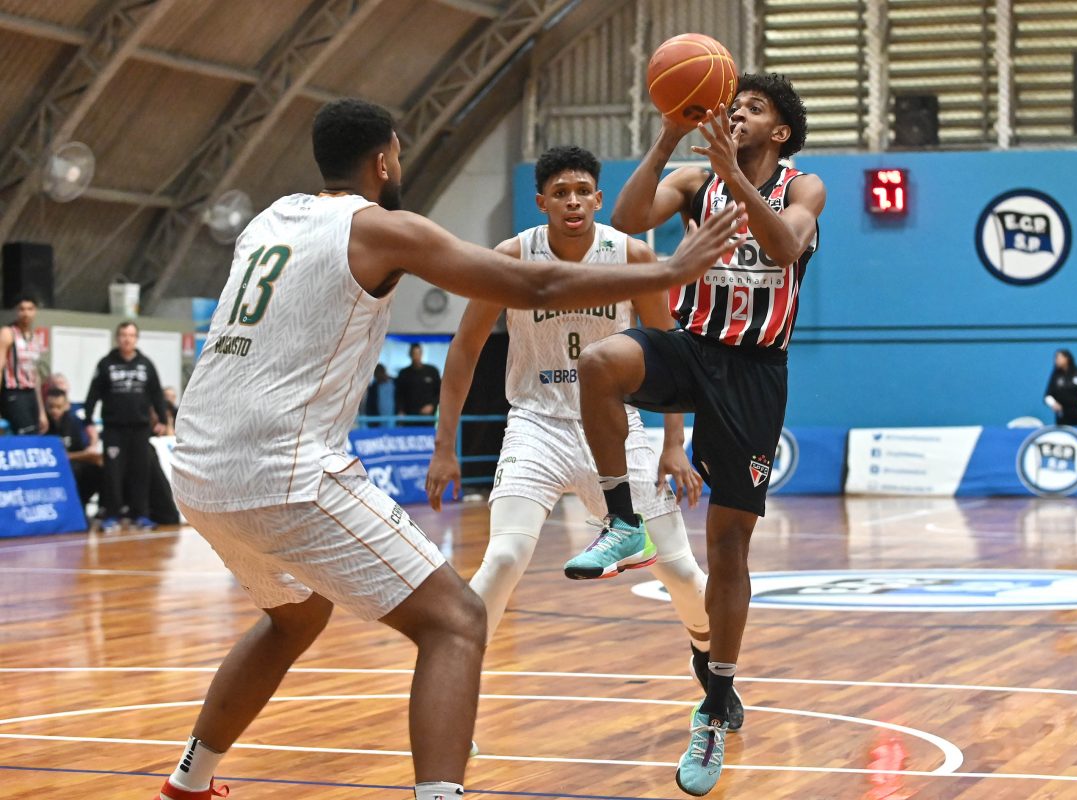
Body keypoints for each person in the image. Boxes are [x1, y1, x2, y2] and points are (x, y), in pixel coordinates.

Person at [156, 97, 745, 800]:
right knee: (457, 621)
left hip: (196, 465)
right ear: (383, 161)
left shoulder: (268, 220)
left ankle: (189, 781)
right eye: (399, 154)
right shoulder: (384, 228)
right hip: (286, 467)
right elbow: (535, 285)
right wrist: (672, 271)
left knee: (297, 614)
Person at [565, 74, 825, 796]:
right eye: (732, 107)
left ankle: (715, 703)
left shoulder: (803, 188)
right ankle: (624, 522)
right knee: (600, 364)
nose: (737, 114)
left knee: (728, 545)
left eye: (754, 110)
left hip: (754, 373)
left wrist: (735, 178)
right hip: (692, 346)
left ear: (780, 133)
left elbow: (783, 248)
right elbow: (624, 223)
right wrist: (669, 136)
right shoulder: (692, 180)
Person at [424, 145, 742, 726]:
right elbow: (465, 348)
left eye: (581, 192)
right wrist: (444, 447)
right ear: (541, 202)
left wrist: (674, 442)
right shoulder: (512, 256)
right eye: (560, 193)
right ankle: (455, 692)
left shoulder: (631, 254)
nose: (572, 201)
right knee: (504, 557)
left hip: (615, 424)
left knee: (679, 571)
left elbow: (669, 348)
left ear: (598, 199)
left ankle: (708, 662)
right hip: (536, 423)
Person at [84, 321, 168, 533]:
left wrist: (163, 420)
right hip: (114, 429)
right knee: (113, 473)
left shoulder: (146, 364)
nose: (127, 339)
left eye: (131, 335)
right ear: (117, 338)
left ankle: (141, 515)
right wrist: (88, 420)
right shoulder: (106, 364)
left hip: (140, 428)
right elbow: (93, 394)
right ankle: (112, 514)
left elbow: (157, 394)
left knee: (141, 472)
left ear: (136, 339)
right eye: (123, 335)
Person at [0, 297, 47, 435]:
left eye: (30, 309)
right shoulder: (8, 333)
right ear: (16, 311)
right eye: (22, 309)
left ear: (35, 311)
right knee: (25, 434)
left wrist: (42, 411)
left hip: (31, 393)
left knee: (35, 434)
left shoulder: (35, 337)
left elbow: (35, 375)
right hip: (13, 392)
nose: (26, 313)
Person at [1044, 348, 1077, 426]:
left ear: (1067, 358)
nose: (1055, 361)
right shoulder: (1056, 375)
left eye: (1058, 358)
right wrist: (1053, 404)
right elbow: (1047, 395)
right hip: (1062, 416)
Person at [395, 343, 440, 422]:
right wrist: (400, 410)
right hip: (409, 417)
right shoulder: (404, 373)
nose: (416, 357)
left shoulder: (432, 371)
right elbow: (399, 394)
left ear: (421, 354)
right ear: (410, 355)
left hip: (428, 417)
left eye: (418, 353)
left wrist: (432, 405)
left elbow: (439, 392)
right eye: (414, 354)